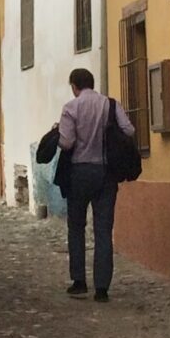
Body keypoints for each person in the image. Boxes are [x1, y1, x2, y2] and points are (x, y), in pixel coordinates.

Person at [54, 67, 134, 301]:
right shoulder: (110, 104)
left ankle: (79, 281)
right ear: (92, 83)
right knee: (103, 230)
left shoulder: (71, 108)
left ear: (74, 86)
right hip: (106, 172)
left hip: (79, 172)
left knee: (76, 227)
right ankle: (102, 288)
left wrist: (56, 134)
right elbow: (129, 130)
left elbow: (67, 143)